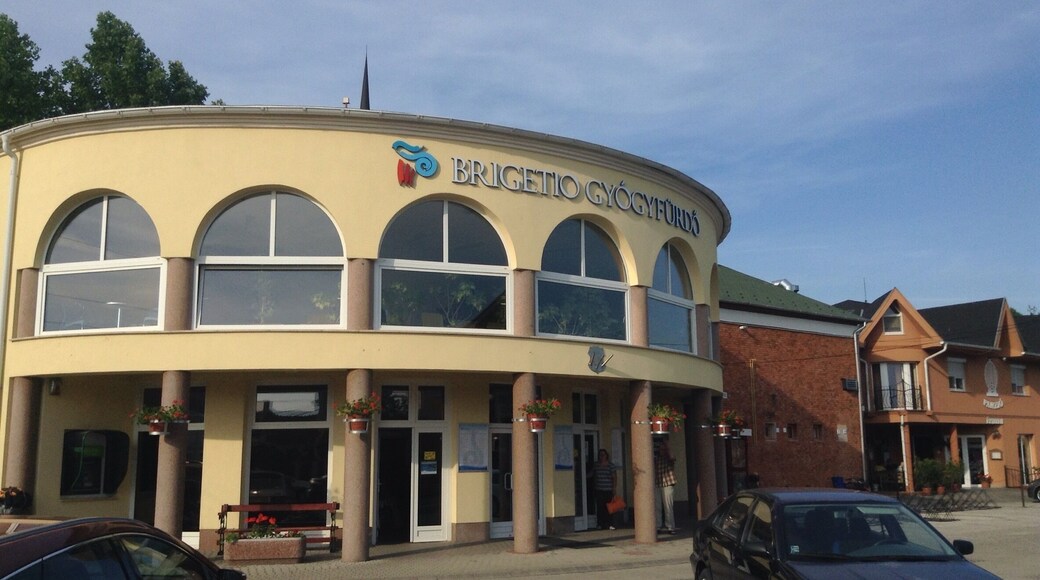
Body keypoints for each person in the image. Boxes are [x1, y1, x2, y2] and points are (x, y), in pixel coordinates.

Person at [591, 449, 618, 530]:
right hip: (599, 489)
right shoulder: (596, 465)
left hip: (608, 489)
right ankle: (600, 524)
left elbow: (614, 477)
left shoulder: (610, 465)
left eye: (603, 455)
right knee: (600, 508)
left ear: (606, 456)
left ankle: (610, 524)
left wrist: (614, 488)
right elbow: (592, 474)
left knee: (609, 508)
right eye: (600, 455)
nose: (601, 456)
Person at [654, 438, 677, 534]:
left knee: (668, 506)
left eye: (663, 449)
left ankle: (670, 527)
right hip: (657, 483)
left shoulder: (669, 458)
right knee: (657, 506)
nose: (661, 450)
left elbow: (672, 457)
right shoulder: (656, 459)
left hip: (668, 483)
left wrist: (668, 445)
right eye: (660, 449)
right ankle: (658, 526)